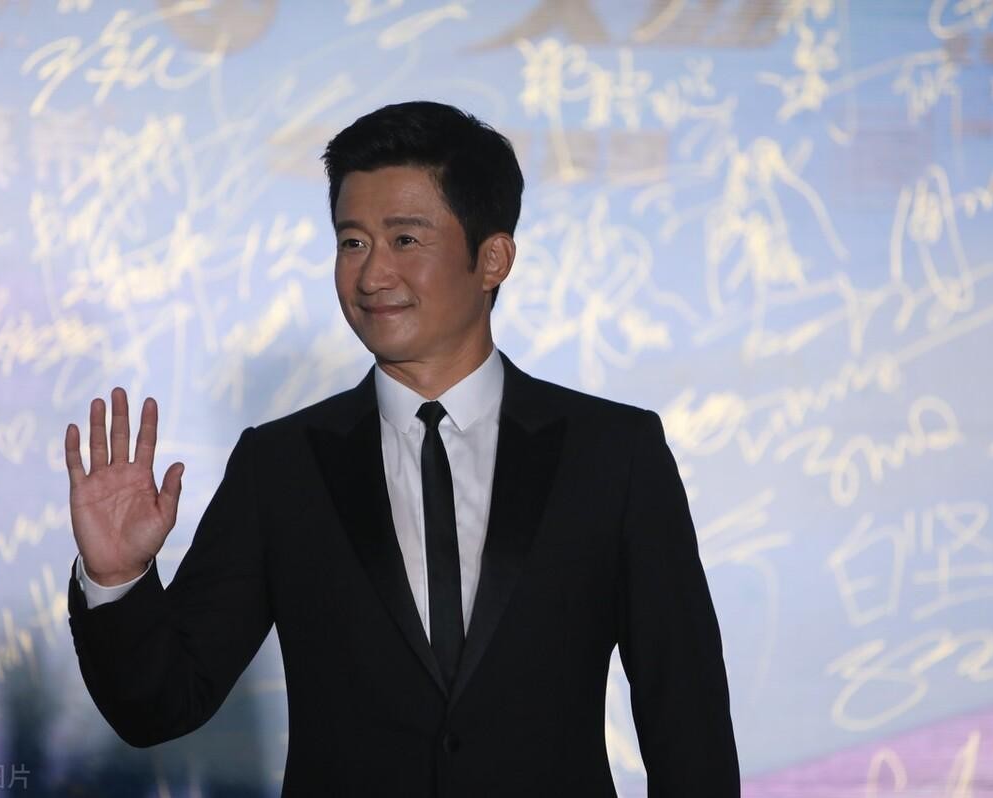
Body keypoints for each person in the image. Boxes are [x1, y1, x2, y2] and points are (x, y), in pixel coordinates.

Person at [65, 101, 740, 797]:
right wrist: (117, 579)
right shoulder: (282, 466)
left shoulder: (613, 455)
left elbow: (687, 724)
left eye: (405, 240)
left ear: (493, 258)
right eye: (353, 242)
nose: (371, 275)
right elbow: (162, 704)